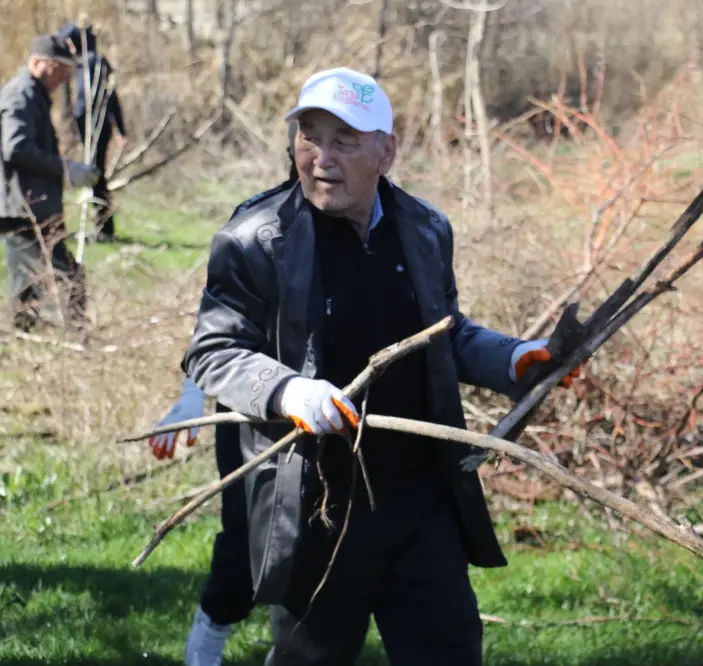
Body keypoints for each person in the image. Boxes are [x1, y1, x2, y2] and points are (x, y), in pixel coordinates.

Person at [180, 67, 578, 666]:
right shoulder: (256, 239)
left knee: (448, 650)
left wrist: (515, 358)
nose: (321, 157)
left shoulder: (424, 229)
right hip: (319, 499)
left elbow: (445, 334)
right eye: (310, 136)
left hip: (418, 496)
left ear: (387, 151)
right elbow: (213, 352)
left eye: (345, 140)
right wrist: (291, 392)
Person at [149, 126, 302, 666]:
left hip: (334, 418)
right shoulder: (255, 227)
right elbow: (217, 333)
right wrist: (192, 398)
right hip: (251, 419)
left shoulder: (376, 230)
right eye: (311, 142)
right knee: (247, 542)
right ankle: (204, 646)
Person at [0, 34, 100, 332]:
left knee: (30, 278)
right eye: (61, 70)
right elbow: (15, 147)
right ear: (41, 63)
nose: (64, 79)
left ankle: (24, 335)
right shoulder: (21, 94)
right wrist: (65, 169)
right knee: (61, 273)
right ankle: (73, 335)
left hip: (26, 203)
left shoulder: (30, 93)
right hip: (19, 205)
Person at [57, 21, 127, 242]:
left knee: (96, 176)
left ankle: (105, 228)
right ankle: (102, 226)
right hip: (90, 126)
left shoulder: (93, 63)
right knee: (96, 176)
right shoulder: (84, 63)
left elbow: (108, 97)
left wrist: (120, 129)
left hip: (96, 126)